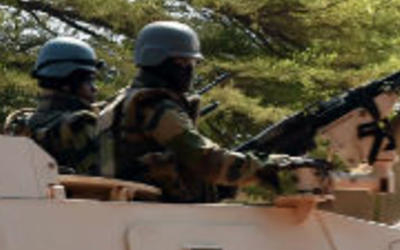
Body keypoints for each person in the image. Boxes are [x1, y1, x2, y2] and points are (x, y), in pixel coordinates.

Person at [100, 20, 324, 202]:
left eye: (192, 63)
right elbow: (207, 161)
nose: (189, 70)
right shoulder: (156, 106)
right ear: (157, 60)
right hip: (158, 214)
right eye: (182, 61)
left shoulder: (119, 102)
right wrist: (272, 166)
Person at [5, 37, 103, 173]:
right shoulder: (80, 124)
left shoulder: (20, 123)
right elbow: (106, 178)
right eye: (89, 80)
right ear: (67, 84)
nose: (94, 88)